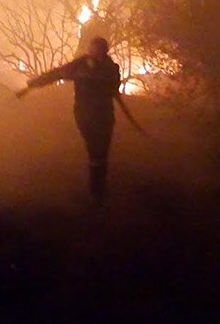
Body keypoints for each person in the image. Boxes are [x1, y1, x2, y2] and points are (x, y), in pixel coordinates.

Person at [16, 37, 136, 205]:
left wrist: (94, 73)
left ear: (104, 51)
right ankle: (97, 193)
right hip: (85, 115)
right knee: (95, 151)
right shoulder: (80, 65)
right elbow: (56, 74)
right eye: (92, 48)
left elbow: (112, 84)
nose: (93, 52)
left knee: (101, 153)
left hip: (104, 116)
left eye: (97, 49)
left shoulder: (111, 68)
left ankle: (98, 191)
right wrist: (31, 86)